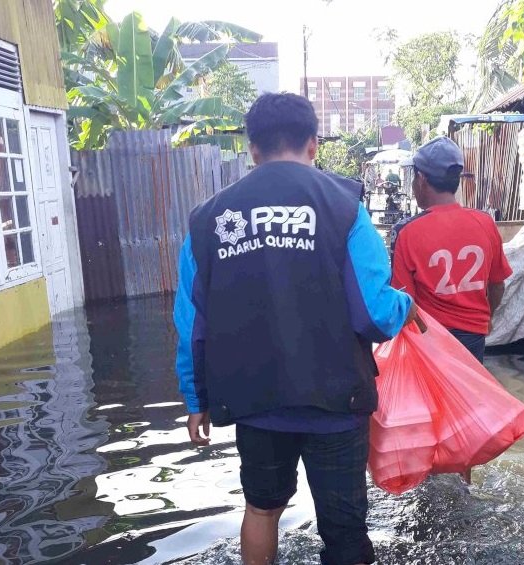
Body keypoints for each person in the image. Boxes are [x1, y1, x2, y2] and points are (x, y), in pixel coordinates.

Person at [174, 92, 416, 565]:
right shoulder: (344, 207)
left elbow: (192, 324)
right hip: (336, 404)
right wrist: (406, 305)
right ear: (313, 144)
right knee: (345, 529)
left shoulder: (208, 220)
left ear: (252, 149)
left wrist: (196, 398)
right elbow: (374, 314)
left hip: (255, 402)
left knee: (261, 510)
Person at [390, 136, 512, 363]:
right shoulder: (485, 223)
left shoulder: (406, 232)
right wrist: (487, 318)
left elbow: (404, 304)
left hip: (429, 341)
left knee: (431, 399)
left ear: (422, 179)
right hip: (473, 341)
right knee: (468, 398)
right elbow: (497, 286)